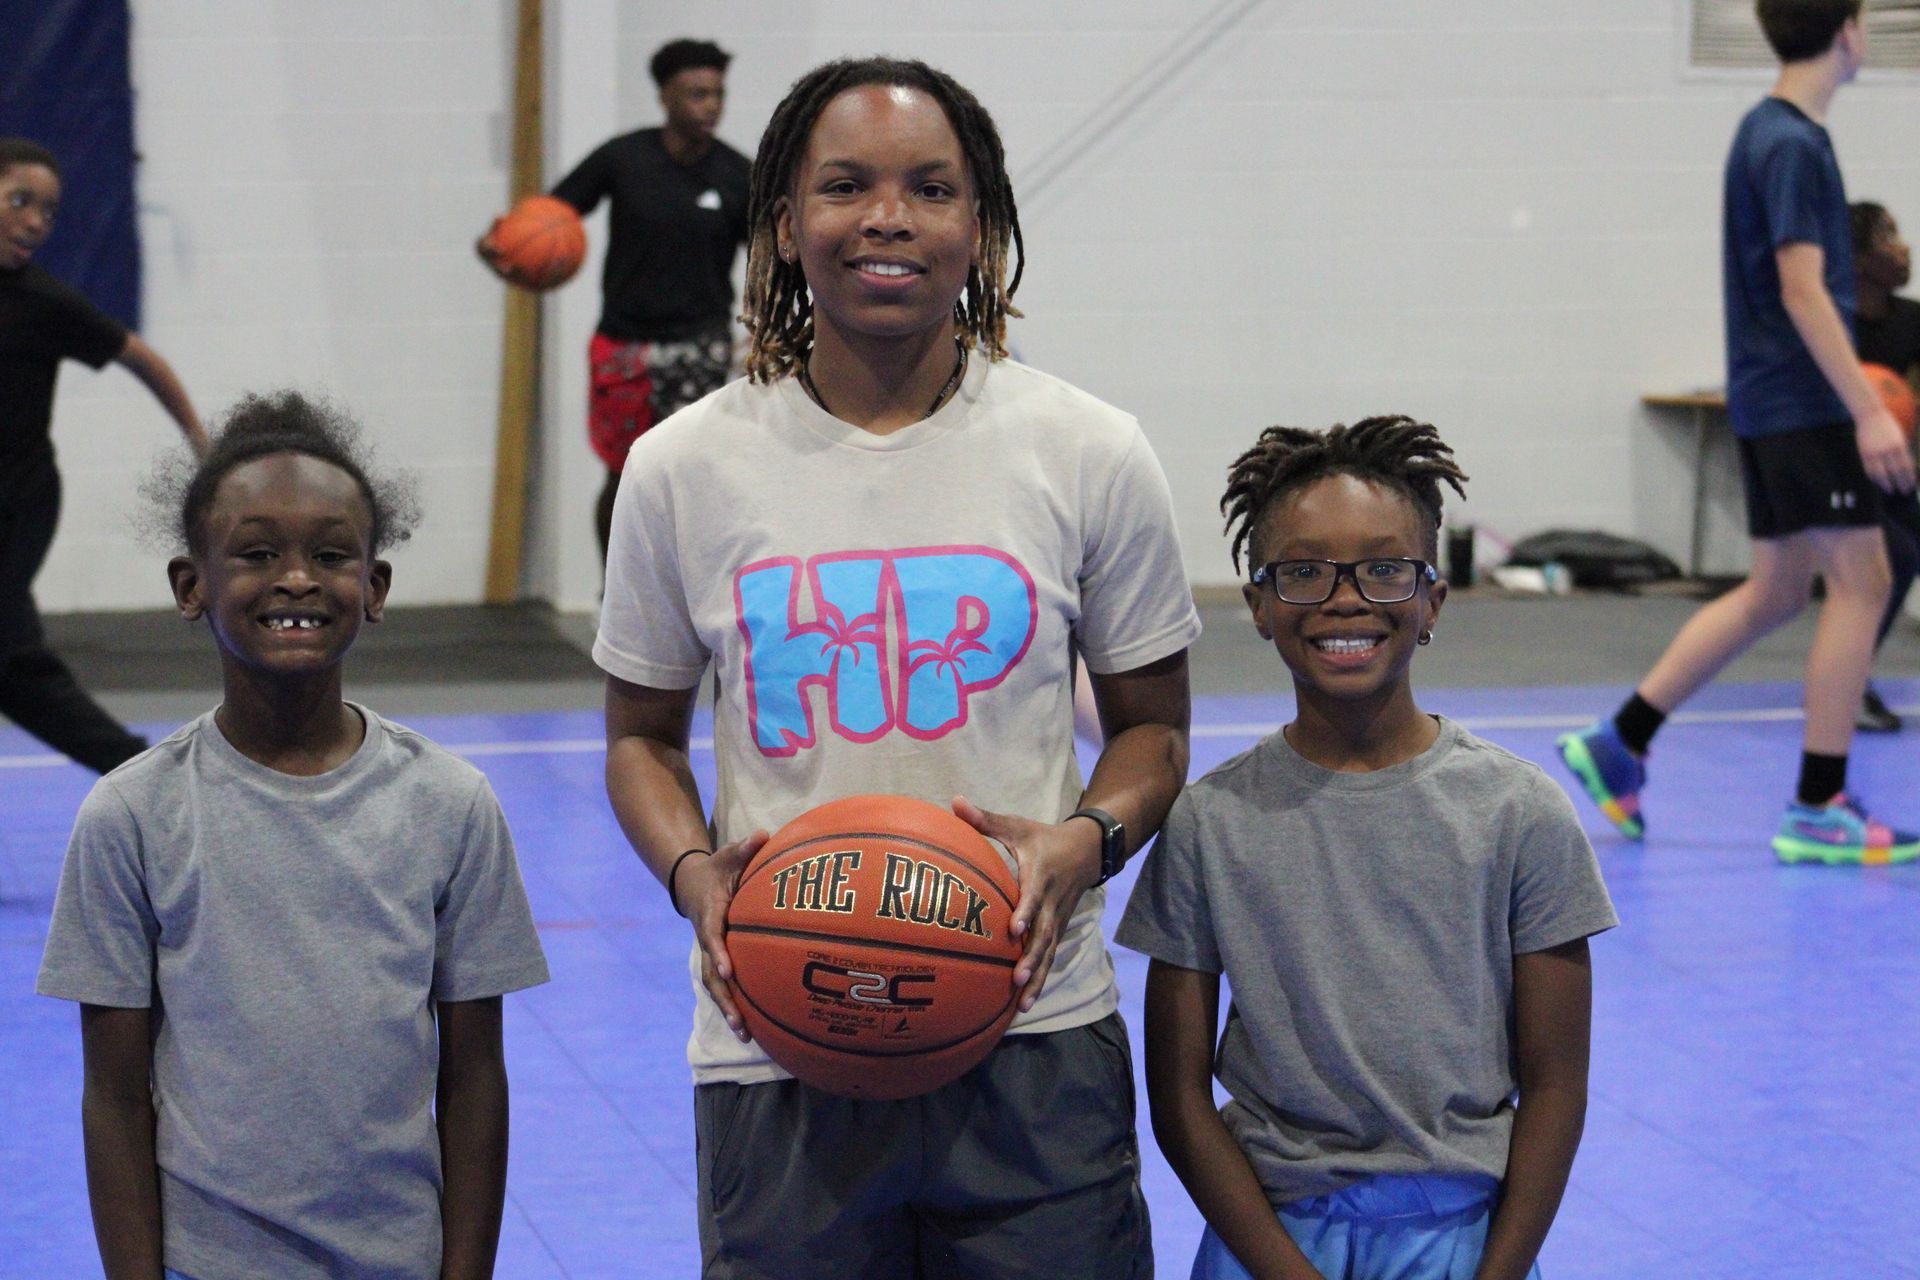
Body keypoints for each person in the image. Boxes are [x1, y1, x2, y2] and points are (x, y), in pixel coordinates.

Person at [597, 57, 1199, 1278]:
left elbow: (1156, 734)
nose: (887, 216)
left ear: (979, 228)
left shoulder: (1090, 449)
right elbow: (640, 738)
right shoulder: (680, 468)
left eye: (931, 188)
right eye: (845, 186)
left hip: (1031, 1026)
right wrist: (694, 873)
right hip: (778, 1027)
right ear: (783, 225)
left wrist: (1085, 841)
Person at [35, 392, 550, 1280]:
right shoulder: (131, 817)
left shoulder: (451, 804)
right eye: (258, 553)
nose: (298, 578)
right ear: (190, 585)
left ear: (375, 587)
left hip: (401, 1258)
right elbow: (113, 1100)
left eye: (331, 554)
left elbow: (474, 1081)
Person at [1119, 418, 1617, 1280]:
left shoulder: (1520, 813)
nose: (1344, 598)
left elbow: (1557, 1086)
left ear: (1431, 600)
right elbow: (1178, 1098)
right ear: (1261, 605)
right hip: (1269, 1242)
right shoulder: (1208, 824)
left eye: (1385, 569)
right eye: (1303, 571)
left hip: (1466, 1242)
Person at [1557, 0, 1920, 864]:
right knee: (1865, 580)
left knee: (1779, 590)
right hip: (1804, 401)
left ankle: (1621, 741)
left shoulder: (1769, 131)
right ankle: (1819, 802)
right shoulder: (1792, 142)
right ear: (1849, 32)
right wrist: (1868, 408)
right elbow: (1803, 291)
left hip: (1770, 399)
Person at [477, 38, 750, 560]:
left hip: (701, 344)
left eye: (717, 93)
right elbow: (547, 217)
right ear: (665, 98)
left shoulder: (738, 176)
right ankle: (616, 597)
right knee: (623, 475)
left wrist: (760, 325)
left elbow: (769, 255)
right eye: (697, 93)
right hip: (623, 345)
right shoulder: (625, 159)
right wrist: (503, 248)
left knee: (696, 475)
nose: (711, 105)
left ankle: (694, 595)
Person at [0, 137, 209, 771]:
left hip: (16, 504)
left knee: (9, 656)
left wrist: (204, 448)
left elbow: (144, 361)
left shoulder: (44, 302)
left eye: (49, 210)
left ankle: (140, 773)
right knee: (10, 662)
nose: (36, 220)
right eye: (20, 201)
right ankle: (142, 774)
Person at [1847, 199, 1920, 731]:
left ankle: (1851, 673)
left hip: (1894, 468)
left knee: (1907, 555)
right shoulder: (1833, 322)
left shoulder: (1913, 321)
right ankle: (1843, 684)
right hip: (1839, 468)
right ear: (1855, 259)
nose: (1903, 248)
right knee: (1889, 557)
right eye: (1886, 237)